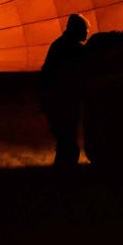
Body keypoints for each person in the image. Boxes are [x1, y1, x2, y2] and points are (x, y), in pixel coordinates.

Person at [40, 13, 90, 167]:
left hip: (54, 101)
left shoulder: (58, 45)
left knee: (65, 143)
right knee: (68, 144)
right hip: (63, 102)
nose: (87, 33)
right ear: (78, 30)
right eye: (85, 30)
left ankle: (61, 177)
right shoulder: (73, 49)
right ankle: (63, 178)